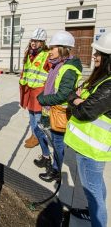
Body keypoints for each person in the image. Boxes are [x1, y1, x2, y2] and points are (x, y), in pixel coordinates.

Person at [64, 32, 111, 227]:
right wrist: (77, 98)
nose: (94, 55)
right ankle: (92, 214)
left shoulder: (109, 85)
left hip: (92, 151)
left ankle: (97, 221)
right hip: (86, 147)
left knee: (93, 193)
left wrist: (75, 100)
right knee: (96, 187)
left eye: (99, 53)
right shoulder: (101, 79)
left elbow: (84, 110)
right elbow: (75, 94)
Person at [35, 30, 82, 182]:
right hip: (53, 110)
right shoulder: (58, 65)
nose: (50, 51)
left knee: (58, 143)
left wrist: (43, 99)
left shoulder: (68, 69)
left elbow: (62, 95)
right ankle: (52, 164)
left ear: (63, 48)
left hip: (60, 112)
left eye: (53, 48)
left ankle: (56, 171)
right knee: (52, 139)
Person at [19, 28, 50, 148]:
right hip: (29, 89)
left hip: (39, 90)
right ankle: (33, 134)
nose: (33, 43)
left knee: (37, 116)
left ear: (42, 42)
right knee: (31, 114)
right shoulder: (30, 53)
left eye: (37, 41)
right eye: (32, 40)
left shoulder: (46, 55)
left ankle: (37, 136)